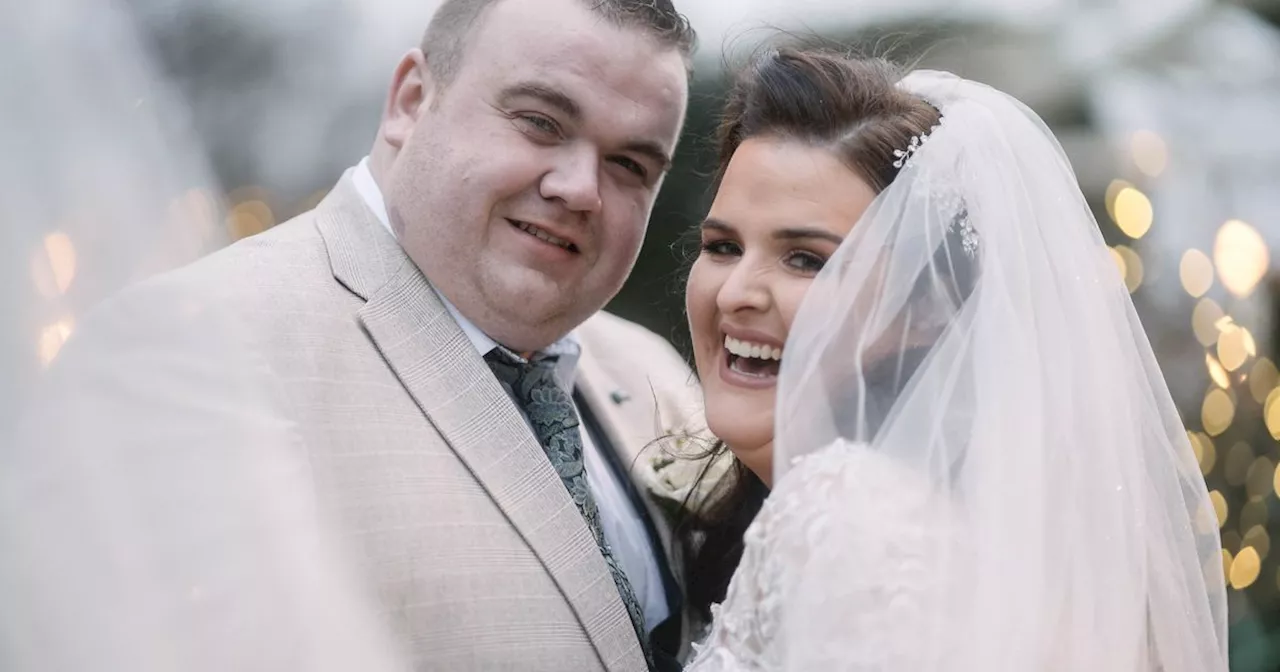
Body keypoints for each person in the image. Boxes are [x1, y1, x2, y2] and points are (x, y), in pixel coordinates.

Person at [1, 1, 703, 671]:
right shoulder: (182, 354)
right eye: (540, 122)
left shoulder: (654, 374)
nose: (582, 189)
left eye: (630, 165)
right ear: (410, 99)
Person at [678, 48, 1228, 670]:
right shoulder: (958, 534)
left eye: (807, 259)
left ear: (924, 309)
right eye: (722, 246)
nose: (735, 293)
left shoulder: (848, 515)